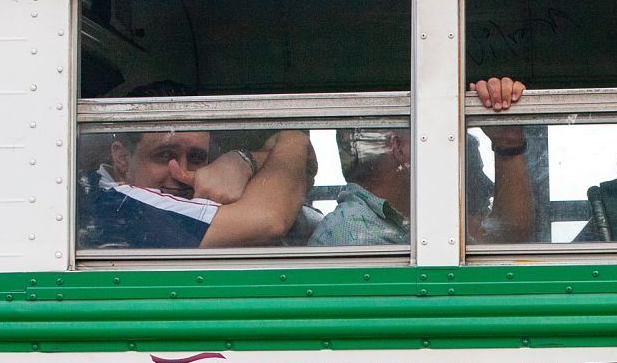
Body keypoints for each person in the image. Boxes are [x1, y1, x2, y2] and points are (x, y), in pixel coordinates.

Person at [79, 82, 311, 250]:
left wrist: (242, 160)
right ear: (122, 158)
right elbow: (270, 219)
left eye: (196, 158)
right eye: (164, 155)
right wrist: (294, 138)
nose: (181, 172)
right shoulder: (115, 204)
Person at [309, 77, 535, 246]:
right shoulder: (353, 233)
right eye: (467, 167)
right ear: (400, 148)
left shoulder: (409, 221)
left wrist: (508, 142)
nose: (486, 185)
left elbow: (507, 236)